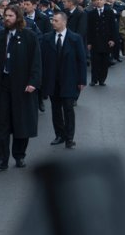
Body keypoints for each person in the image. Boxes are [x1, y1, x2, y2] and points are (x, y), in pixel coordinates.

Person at [0, 5, 42, 170]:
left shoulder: (29, 36)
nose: (7, 19)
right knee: (2, 122)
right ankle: (1, 159)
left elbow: (36, 61)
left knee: (21, 122)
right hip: (2, 85)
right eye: (5, 16)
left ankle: (19, 155)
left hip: (22, 85)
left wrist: (33, 82)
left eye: (11, 16)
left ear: (18, 18)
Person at [40, 11, 87, 149]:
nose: (52, 23)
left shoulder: (75, 38)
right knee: (55, 109)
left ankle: (69, 137)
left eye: (55, 20)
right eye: (52, 20)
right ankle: (59, 135)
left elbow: (81, 60)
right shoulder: (47, 38)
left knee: (68, 109)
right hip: (52, 80)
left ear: (64, 22)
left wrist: (81, 80)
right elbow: (43, 60)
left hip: (69, 79)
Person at [87, 0, 118, 86]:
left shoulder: (109, 12)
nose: (99, 1)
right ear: (94, 2)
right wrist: (89, 42)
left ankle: (102, 79)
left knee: (104, 62)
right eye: (97, 0)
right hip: (95, 41)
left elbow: (113, 27)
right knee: (95, 61)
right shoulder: (91, 13)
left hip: (106, 41)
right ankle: (94, 79)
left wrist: (113, 39)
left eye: (101, 0)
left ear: (104, 1)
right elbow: (89, 29)